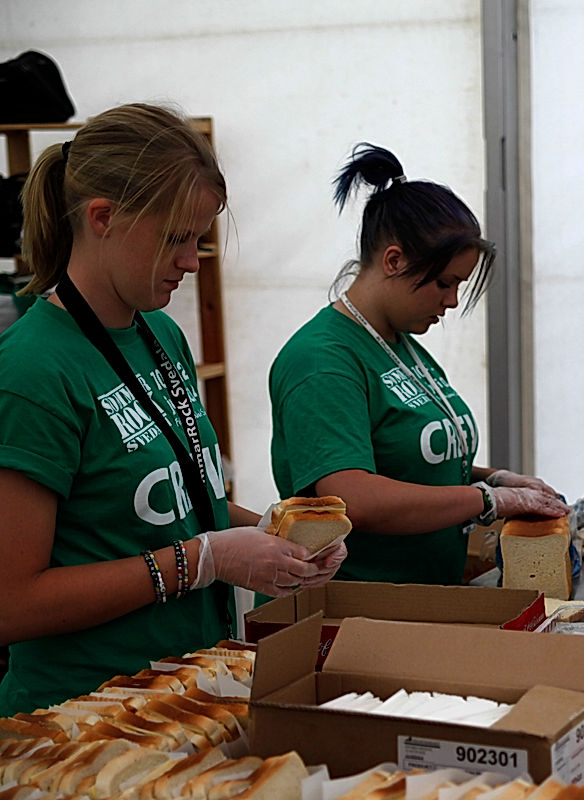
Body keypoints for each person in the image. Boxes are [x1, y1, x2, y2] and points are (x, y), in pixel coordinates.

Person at [0, 104, 347, 716]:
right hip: (80, 720)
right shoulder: (31, 370)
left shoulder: (161, 334)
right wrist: (202, 561)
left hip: (186, 693)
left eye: (198, 239)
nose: (191, 262)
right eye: (175, 239)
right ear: (102, 218)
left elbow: (184, 504)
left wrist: (274, 534)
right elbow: (12, 601)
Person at [269, 144, 567, 586]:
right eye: (445, 283)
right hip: (352, 612)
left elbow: (410, 460)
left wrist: (497, 479)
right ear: (394, 261)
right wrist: (488, 500)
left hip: (418, 601)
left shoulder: (401, 344)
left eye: (459, 285)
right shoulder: (323, 360)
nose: (452, 301)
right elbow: (355, 497)